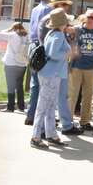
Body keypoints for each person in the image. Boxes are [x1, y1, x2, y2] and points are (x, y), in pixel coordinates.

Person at [38, 0, 82, 136]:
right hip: (52, 69)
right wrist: (68, 52)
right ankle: (49, 129)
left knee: (56, 99)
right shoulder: (52, 24)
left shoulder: (56, 23)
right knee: (50, 101)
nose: (66, 7)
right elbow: (50, 49)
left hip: (55, 68)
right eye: (64, 4)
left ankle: (54, 128)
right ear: (57, 5)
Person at [31, 9, 72, 149]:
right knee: (44, 106)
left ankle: (51, 134)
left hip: (48, 73)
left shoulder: (52, 33)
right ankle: (36, 136)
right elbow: (53, 53)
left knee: (49, 106)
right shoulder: (59, 35)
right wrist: (67, 53)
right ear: (63, 22)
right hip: (52, 74)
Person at [68, 10, 93, 131]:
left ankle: (85, 121)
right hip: (76, 66)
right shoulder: (77, 29)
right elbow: (67, 39)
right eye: (88, 17)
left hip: (92, 68)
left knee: (88, 96)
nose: (90, 19)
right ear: (85, 18)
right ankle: (68, 120)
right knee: (72, 95)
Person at [24, 0, 55, 125]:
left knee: (34, 83)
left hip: (32, 45)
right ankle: (40, 118)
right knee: (44, 84)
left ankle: (30, 115)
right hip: (42, 46)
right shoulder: (48, 9)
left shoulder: (35, 9)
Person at [0, 23, 28, 112]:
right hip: (22, 64)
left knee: (11, 86)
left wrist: (9, 29)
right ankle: (21, 107)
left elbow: (0, 34)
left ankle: (10, 107)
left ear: (14, 28)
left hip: (11, 63)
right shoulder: (26, 36)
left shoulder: (13, 35)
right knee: (19, 85)